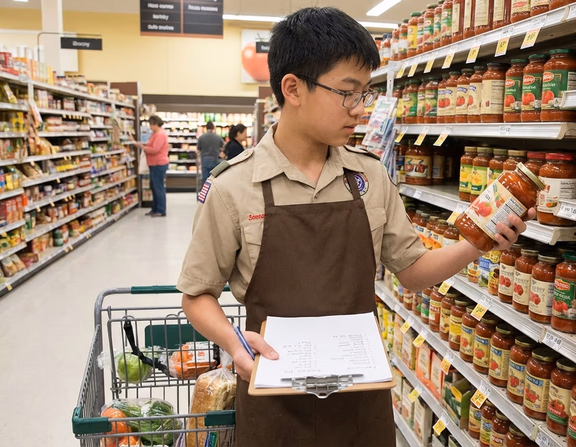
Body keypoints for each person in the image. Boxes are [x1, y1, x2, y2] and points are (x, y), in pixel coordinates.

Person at [177, 8, 534, 447]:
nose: (360, 110)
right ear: (293, 88)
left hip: (359, 399)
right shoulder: (232, 187)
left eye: (364, 93)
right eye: (348, 93)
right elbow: (196, 295)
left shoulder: (369, 178)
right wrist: (233, 343)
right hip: (274, 400)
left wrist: (478, 243)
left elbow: (412, 270)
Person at [135, 115, 168, 217]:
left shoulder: (160, 135)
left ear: (155, 124)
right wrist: (144, 145)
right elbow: (151, 145)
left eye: (151, 125)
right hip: (154, 164)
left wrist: (142, 147)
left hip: (159, 164)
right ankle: (154, 209)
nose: (150, 127)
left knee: (158, 187)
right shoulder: (155, 134)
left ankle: (161, 210)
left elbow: (155, 149)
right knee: (154, 187)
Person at [197, 121, 225, 185]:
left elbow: (199, 148)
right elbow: (222, 146)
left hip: (205, 159)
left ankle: (206, 194)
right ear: (213, 128)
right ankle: (213, 193)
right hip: (215, 159)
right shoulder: (217, 137)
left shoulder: (201, 137)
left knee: (205, 180)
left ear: (206, 128)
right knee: (214, 179)